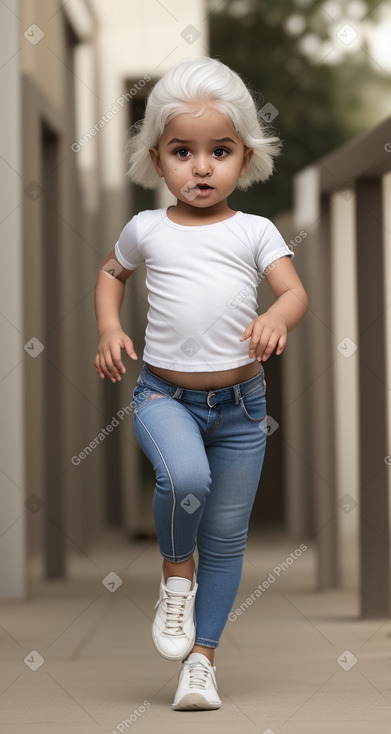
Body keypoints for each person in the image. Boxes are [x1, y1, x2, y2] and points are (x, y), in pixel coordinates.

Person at [94, 56, 308, 711]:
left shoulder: (255, 231)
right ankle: (172, 577)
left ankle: (201, 661)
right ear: (157, 159)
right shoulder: (146, 229)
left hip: (242, 409)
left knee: (227, 538)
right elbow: (111, 274)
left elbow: (293, 293)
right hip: (163, 396)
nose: (201, 166)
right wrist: (108, 328)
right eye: (182, 152)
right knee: (184, 480)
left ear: (244, 157)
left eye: (219, 151)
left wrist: (274, 315)